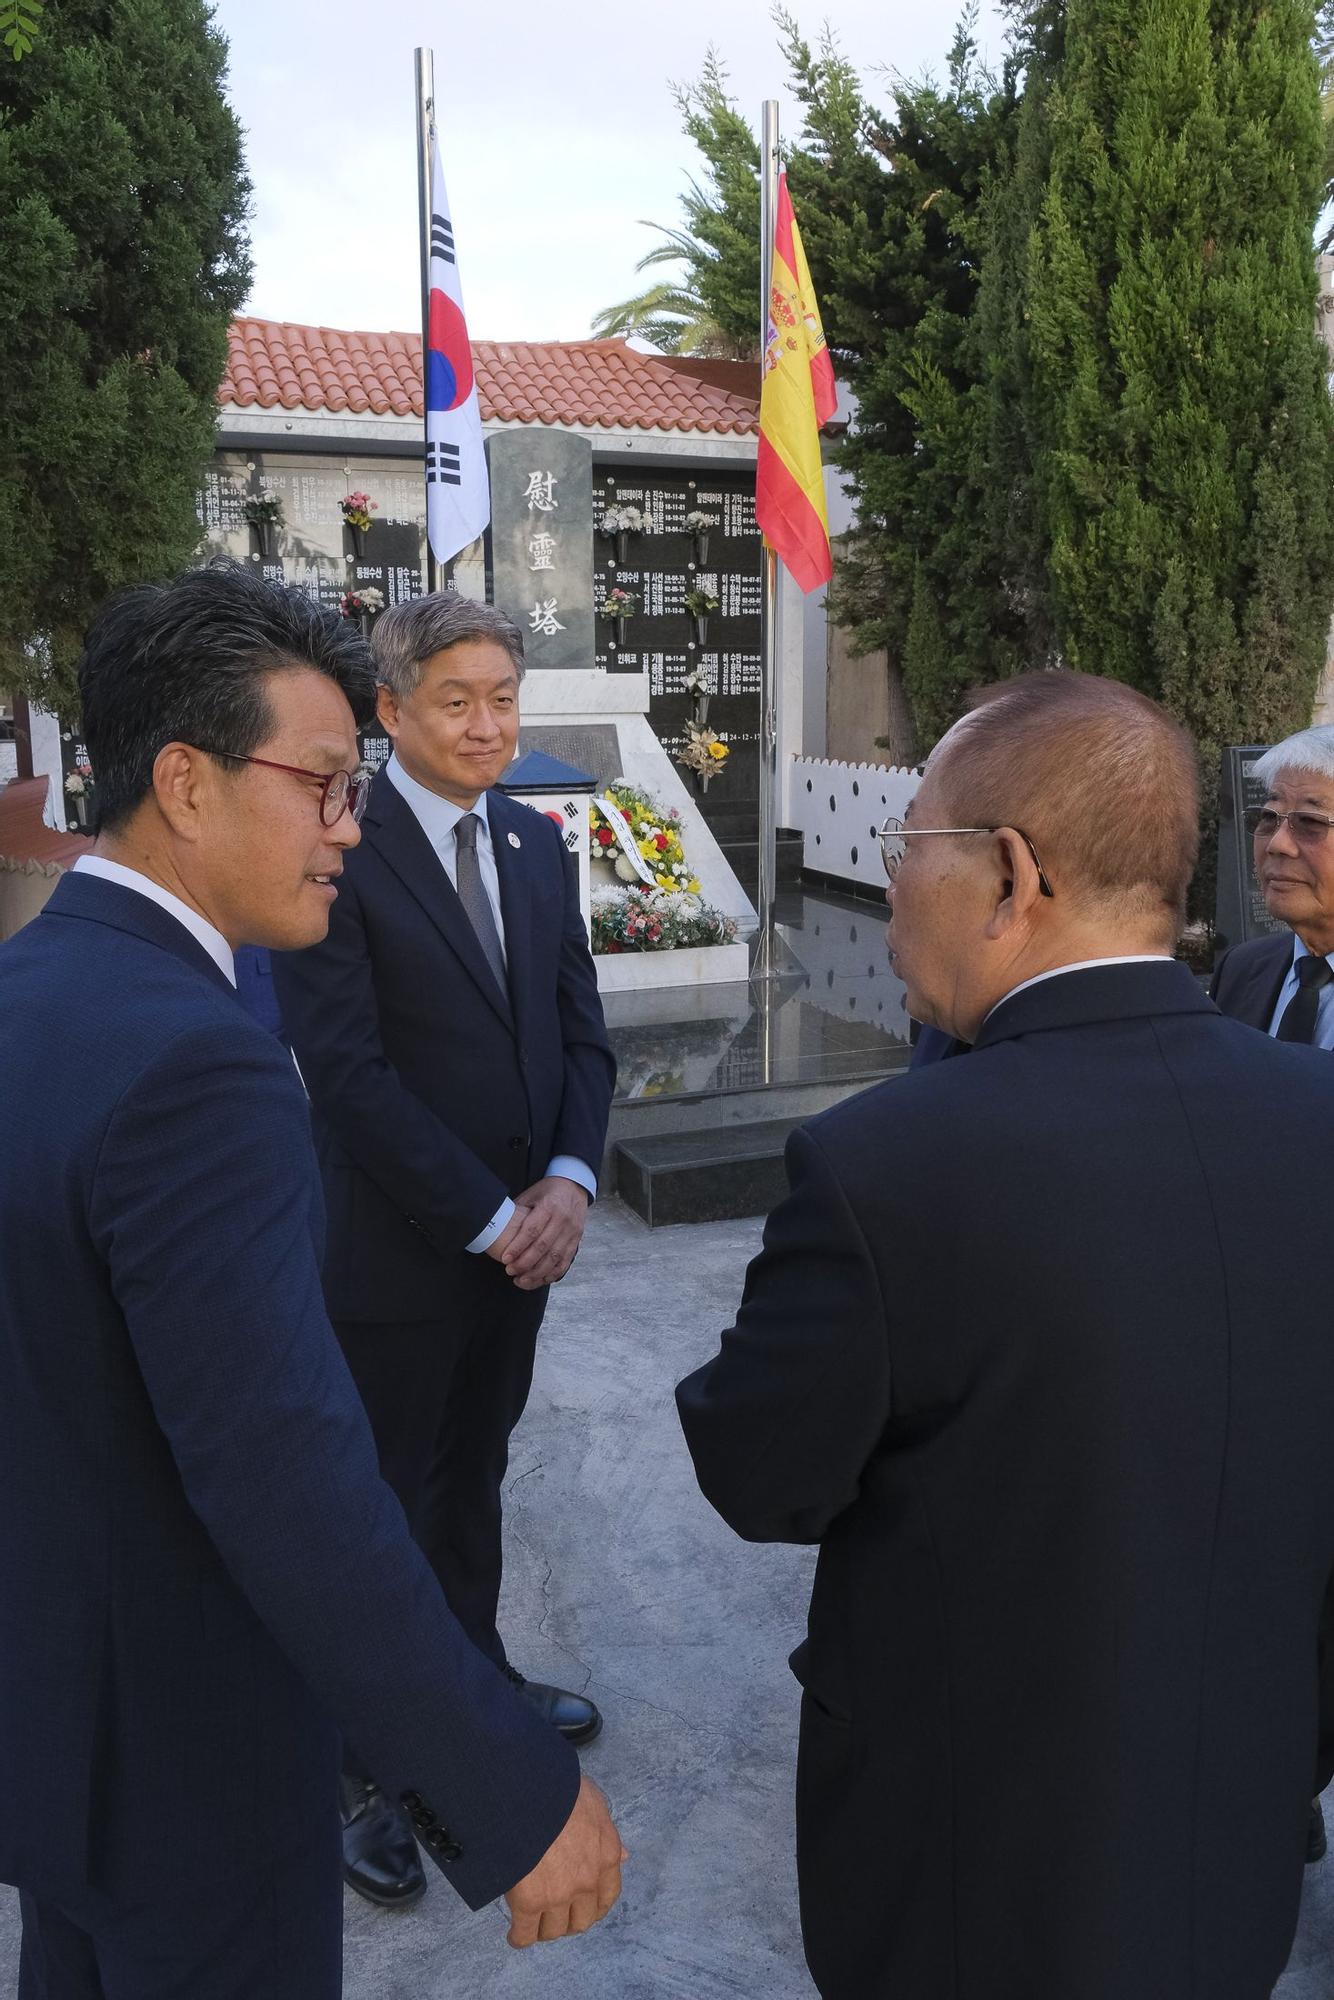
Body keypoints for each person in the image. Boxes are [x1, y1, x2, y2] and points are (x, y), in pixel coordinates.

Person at [0, 565, 624, 2000]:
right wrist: (504, 1791)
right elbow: (285, 1482)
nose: (350, 826)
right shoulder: (198, 1063)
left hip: (69, 1734)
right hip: (193, 1761)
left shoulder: (38, 989)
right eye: (328, 783)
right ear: (188, 781)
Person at [677, 672, 1334, 2000]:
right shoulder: (1311, 1112)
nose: (892, 878)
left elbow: (762, 1474)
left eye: (904, 845)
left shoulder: (889, 1163)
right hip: (1239, 1829)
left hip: (973, 1869)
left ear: (1008, 874)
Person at [273, 593, 616, 1908]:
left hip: (526, 1253)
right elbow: (346, 1074)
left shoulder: (536, 842)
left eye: (504, 699)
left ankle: (472, 1680)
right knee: (379, 1508)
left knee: (473, 1477)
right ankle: (364, 1759)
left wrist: (573, 1183)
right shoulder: (338, 853)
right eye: (458, 701)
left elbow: (581, 1032)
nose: (487, 725)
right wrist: (490, 1217)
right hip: (399, 1256)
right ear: (392, 710)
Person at [1211, 721, 1334, 1865]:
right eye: (1265, 819)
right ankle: (1277, 1776)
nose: (1275, 845)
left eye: (1308, 824)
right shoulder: (1247, 971)